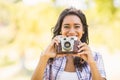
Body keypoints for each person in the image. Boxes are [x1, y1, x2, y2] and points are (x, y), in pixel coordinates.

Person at [31, 7, 106, 80]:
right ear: (61, 30)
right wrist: (44, 57)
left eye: (77, 26)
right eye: (66, 26)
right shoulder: (48, 56)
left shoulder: (95, 57)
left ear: (83, 30)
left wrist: (91, 62)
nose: (72, 32)